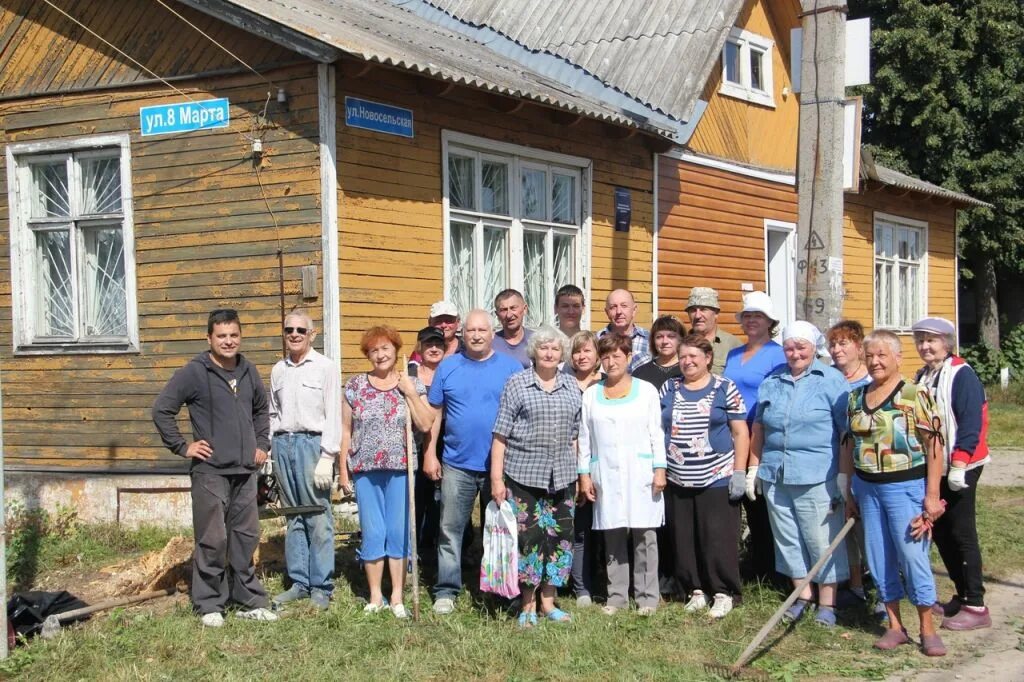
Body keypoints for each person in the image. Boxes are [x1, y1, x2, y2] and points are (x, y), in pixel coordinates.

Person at [152, 308, 278, 627]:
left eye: (233, 335)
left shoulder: (248, 371)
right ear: (209, 338)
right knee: (212, 539)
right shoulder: (195, 372)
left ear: (240, 336)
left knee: (245, 536)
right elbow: (162, 409)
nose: (228, 341)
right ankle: (209, 603)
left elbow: (262, 411)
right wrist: (183, 446)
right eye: (221, 336)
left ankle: (248, 598)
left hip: (245, 471)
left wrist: (262, 444)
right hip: (210, 472)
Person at [843, 329, 947, 656]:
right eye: (869, 356)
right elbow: (849, 444)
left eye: (881, 355)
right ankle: (894, 626)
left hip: (906, 488)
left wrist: (932, 496)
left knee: (913, 556)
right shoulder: (856, 397)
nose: (874, 362)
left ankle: (927, 628)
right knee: (878, 557)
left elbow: (935, 447)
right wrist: (848, 493)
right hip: (866, 489)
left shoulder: (916, 395)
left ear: (898, 358)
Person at [748, 321, 850, 627]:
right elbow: (759, 427)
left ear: (813, 348)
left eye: (801, 347)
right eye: (789, 347)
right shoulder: (773, 380)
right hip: (776, 473)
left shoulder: (831, 380)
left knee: (820, 538)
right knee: (788, 538)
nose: (794, 353)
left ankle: (827, 603)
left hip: (818, 474)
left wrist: (845, 476)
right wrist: (754, 467)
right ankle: (801, 596)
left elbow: (846, 432)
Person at [425, 309, 523, 615]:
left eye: (482, 330)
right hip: (457, 463)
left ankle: (501, 588)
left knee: (501, 531)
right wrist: (430, 453)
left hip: (501, 467)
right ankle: (447, 589)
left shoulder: (511, 368)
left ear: (491, 333)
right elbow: (435, 414)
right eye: (471, 331)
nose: (477, 335)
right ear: (462, 334)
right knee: (450, 529)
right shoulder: (448, 367)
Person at [490, 326, 582, 627]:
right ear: (534, 351)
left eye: (555, 349)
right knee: (529, 541)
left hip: (563, 477)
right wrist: (496, 479)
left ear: (562, 354)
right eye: (544, 348)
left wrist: (580, 474)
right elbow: (500, 434)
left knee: (559, 541)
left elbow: (575, 436)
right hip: (524, 475)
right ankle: (527, 605)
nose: (549, 353)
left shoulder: (571, 386)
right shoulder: (517, 384)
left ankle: (548, 602)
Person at [341, 326, 435, 618]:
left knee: (397, 531)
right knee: (373, 531)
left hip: (400, 470)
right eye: (374, 350)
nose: (380, 355)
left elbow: (426, 424)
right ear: (367, 354)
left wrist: (410, 393)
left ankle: (396, 597)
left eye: (385, 348)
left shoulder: (411, 383)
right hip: (365, 470)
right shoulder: (355, 386)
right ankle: (374, 596)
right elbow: (346, 431)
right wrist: (342, 472)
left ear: (396, 350)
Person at [660, 334, 749, 619]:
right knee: (684, 538)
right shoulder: (669, 388)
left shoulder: (725, 387)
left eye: (693, 357)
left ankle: (724, 592)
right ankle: (695, 590)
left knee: (717, 538)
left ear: (708, 358)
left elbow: (740, 432)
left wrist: (739, 472)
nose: (687, 362)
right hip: (677, 477)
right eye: (683, 357)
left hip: (717, 475)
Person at [912, 316, 992, 631]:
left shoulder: (962, 374)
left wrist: (959, 462)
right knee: (942, 531)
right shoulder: (924, 375)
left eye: (932, 340)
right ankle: (961, 594)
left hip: (962, 466)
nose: (925, 346)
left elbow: (973, 420)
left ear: (947, 343)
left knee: (962, 533)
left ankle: (976, 604)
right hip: (936, 467)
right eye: (921, 340)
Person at [578, 334, 667, 616]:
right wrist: (584, 475)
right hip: (606, 473)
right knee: (612, 535)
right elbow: (584, 437)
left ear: (628, 357)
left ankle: (647, 597)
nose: (611, 361)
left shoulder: (647, 391)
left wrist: (660, 469)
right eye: (605, 356)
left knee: (645, 536)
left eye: (617, 355)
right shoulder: (592, 394)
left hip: (642, 473)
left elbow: (656, 433)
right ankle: (617, 597)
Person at [267, 311, 341, 611]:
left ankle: (321, 585)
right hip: (283, 444)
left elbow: (334, 413)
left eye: (301, 330)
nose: (294, 334)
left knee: (318, 514)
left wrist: (327, 456)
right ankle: (299, 582)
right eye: (289, 330)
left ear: (312, 334)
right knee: (293, 515)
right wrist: (271, 452)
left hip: (313, 445)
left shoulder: (325, 367)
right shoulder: (278, 370)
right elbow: (273, 413)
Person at [723, 291, 786, 585]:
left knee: (763, 505)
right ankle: (754, 564)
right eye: (747, 316)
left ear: (769, 321)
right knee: (744, 504)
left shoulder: (777, 354)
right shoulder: (735, 354)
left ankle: (773, 571)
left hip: (761, 436)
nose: (751, 321)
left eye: (757, 316)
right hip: (734, 435)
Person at [826, 320, 874, 612]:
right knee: (845, 527)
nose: (836, 349)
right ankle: (855, 586)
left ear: (859, 347)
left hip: (864, 463)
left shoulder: (870, 381)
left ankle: (882, 587)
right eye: (833, 344)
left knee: (868, 529)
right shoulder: (828, 377)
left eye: (843, 343)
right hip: (834, 462)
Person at [408, 326, 449, 572]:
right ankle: (416, 549)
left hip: (447, 442)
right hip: (414, 442)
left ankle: (439, 548)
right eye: (428, 344)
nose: (434, 349)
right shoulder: (410, 374)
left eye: (438, 344)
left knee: (442, 498)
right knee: (418, 496)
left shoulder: (451, 371)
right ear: (420, 348)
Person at [568, 331, 603, 606]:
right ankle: (575, 584)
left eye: (587, 351)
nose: (582, 356)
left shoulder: (605, 385)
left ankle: (589, 583)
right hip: (566, 464)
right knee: (573, 525)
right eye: (577, 351)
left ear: (598, 356)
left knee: (594, 528)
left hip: (598, 464)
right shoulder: (564, 383)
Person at [685, 287, 742, 374]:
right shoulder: (681, 344)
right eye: (693, 310)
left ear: (716, 313)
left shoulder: (732, 345)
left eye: (703, 309)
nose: (697, 316)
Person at [598, 289, 650, 372]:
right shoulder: (597, 340)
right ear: (607, 312)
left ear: (634, 310)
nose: (619, 311)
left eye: (624, 306)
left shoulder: (649, 339)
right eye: (613, 307)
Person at [632, 315, 685, 392]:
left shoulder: (687, 370)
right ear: (653, 340)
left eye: (671, 336)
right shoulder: (640, 373)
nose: (665, 341)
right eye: (659, 337)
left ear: (681, 339)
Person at [492, 289, 534, 368]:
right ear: (497, 314)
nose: (509, 315)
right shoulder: (491, 343)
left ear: (524, 309)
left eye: (513, 308)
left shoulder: (537, 341)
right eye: (503, 310)